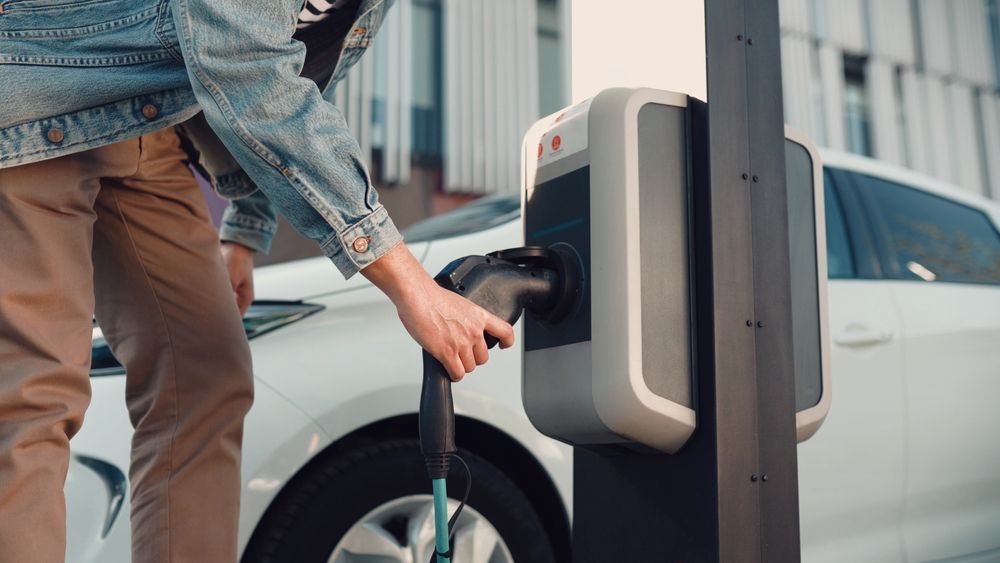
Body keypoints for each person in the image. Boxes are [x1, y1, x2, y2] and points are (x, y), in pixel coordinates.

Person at [0, 1, 514, 562]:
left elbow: (296, 73)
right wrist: (410, 286)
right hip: (38, 97)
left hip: (152, 125)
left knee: (206, 379)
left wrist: (244, 230)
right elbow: (241, 58)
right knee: (34, 394)